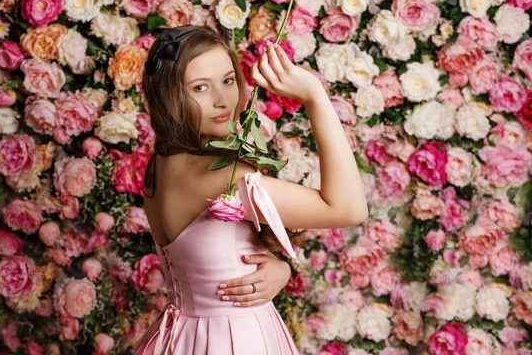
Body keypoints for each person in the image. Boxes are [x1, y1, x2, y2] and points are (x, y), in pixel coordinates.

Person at [134, 25, 368, 354]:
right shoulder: (220, 177)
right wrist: (315, 97)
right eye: (200, 87)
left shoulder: (161, 164)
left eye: (228, 80)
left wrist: (281, 268)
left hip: (184, 336)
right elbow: (349, 208)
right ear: (170, 95)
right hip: (233, 340)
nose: (222, 99)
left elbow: (213, 257)